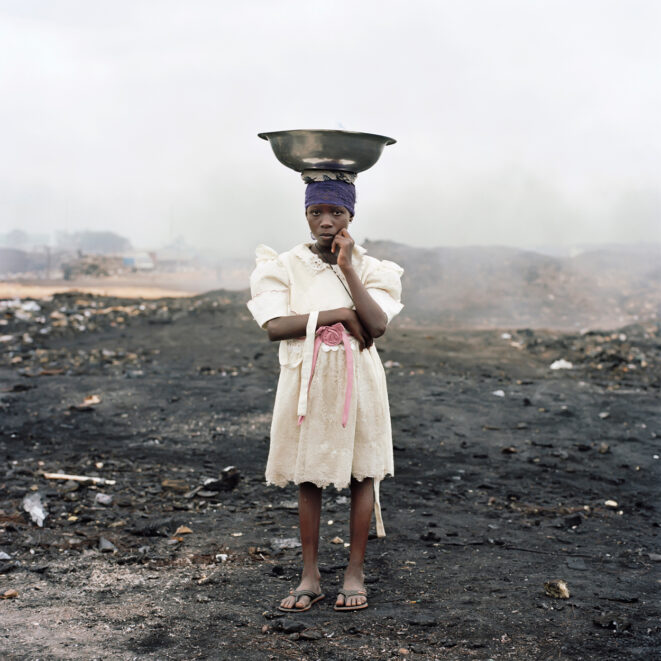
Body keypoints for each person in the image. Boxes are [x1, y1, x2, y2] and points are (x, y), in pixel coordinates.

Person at [247, 177, 403, 612]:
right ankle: (310, 574)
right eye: (317, 212)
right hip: (305, 378)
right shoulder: (284, 265)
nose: (326, 221)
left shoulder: (373, 268)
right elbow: (275, 326)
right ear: (306, 215)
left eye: (336, 212)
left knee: (362, 471)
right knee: (308, 472)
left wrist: (348, 268)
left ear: (351, 216)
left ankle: (355, 572)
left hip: (360, 379)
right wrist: (338, 314)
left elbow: (376, 325)